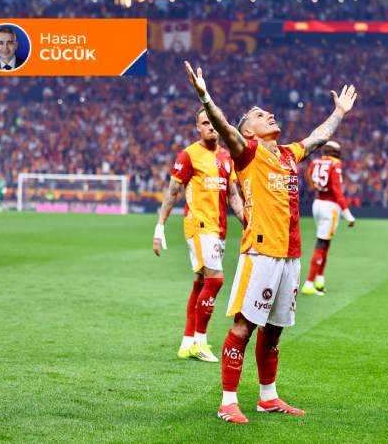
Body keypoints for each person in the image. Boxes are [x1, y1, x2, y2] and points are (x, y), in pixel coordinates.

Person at [184, 61, 357, 424]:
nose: (270, 115)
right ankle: (228, 402)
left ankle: (268, 398)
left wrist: (339, 112)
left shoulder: (289, 154)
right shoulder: (247, 152)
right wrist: (205, 97)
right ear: (248, 131)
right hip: (260, 252)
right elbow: (223, 126)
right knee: (244, 326)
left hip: (291, 254)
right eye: (261, 115)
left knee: (275, 329)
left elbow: (317, 138)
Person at [153, 106, 245, 363]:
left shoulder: (226, 157)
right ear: (198, 128)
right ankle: (200, 342)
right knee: (215, 281)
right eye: (205, 123)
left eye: (213, 121)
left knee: (201, 284)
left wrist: (248, 222)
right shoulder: (189, 155)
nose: (211, 127)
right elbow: (172, 192)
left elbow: (233, 196)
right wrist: (159, 228)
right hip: (199, 226)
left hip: (219, 228)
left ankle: (186, 344)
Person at [302, 141, 355, 296]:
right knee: (321, 242)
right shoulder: (336, 163)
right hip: (330, 206)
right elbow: (337, 190)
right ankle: (309, 283)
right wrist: (347, 214)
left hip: (318, 203)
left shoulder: (314, 162)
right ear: (334, 152)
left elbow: (313, 185)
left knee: (326, 241)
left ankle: (320, 280)